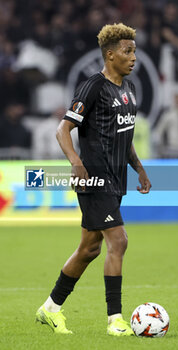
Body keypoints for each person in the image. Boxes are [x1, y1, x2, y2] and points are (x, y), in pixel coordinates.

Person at [36, 23, 151, 336]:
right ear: (110, 55)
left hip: (117, 181)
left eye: (135, 52)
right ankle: (115, 320)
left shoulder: (129, 91)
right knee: (119, 241)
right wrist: (75, 162)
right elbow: (63, 129)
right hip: (94, 180)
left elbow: (124, 137)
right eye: (127, 52)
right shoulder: (93, 87)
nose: (133, 58)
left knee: (89, 249)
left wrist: (138, 167)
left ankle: (50, 309)